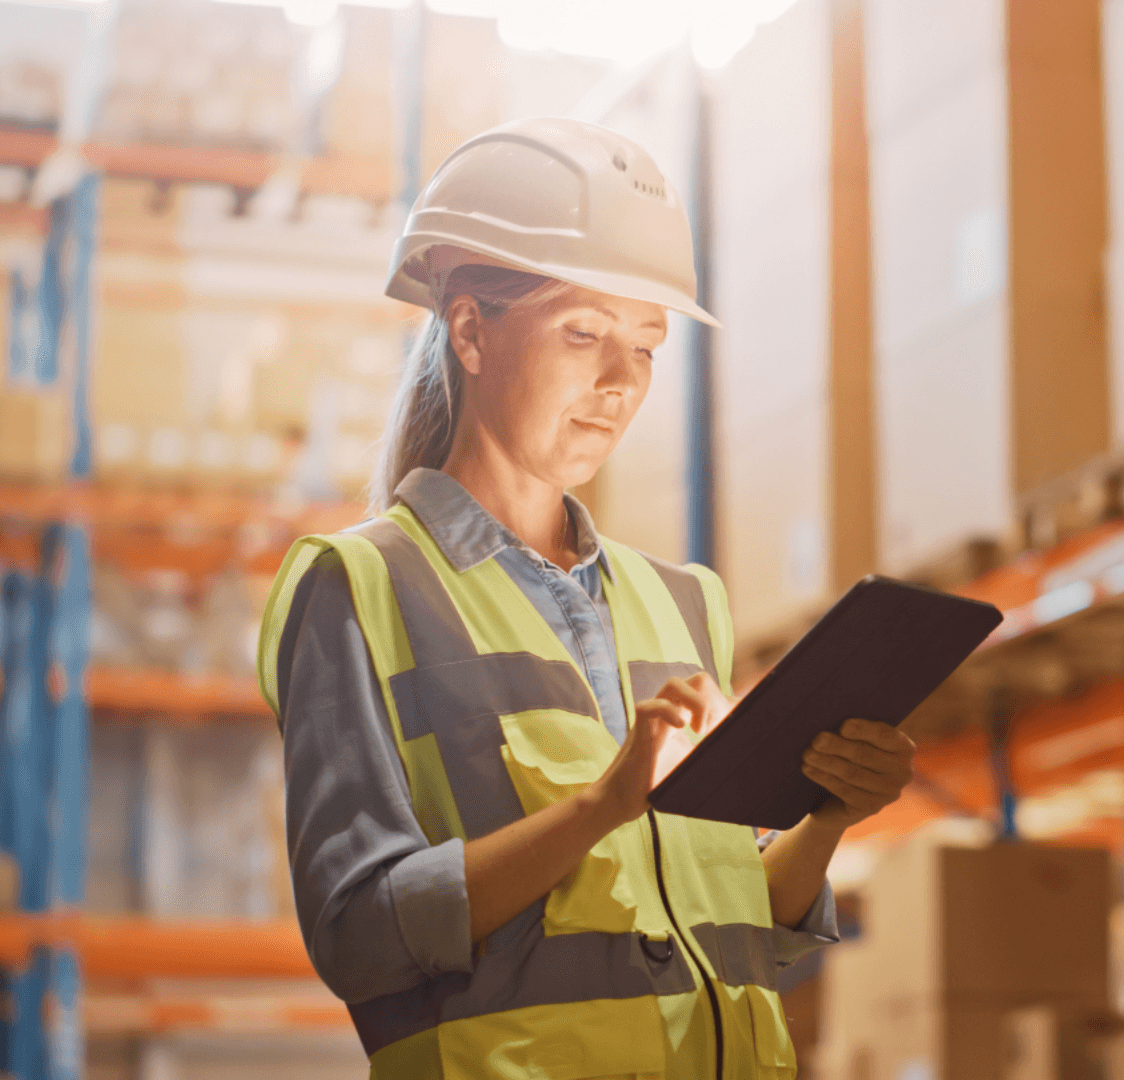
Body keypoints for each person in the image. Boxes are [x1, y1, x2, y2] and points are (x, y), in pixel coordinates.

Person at [256, 118, 916, 1079]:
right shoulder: (360, 587)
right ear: (472, 330)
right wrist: (600, 808)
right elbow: (358, 933)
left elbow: (731, 921)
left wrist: (827, 815)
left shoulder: (686, 604)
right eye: (584, 334)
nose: (621, 382)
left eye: (645, 347)